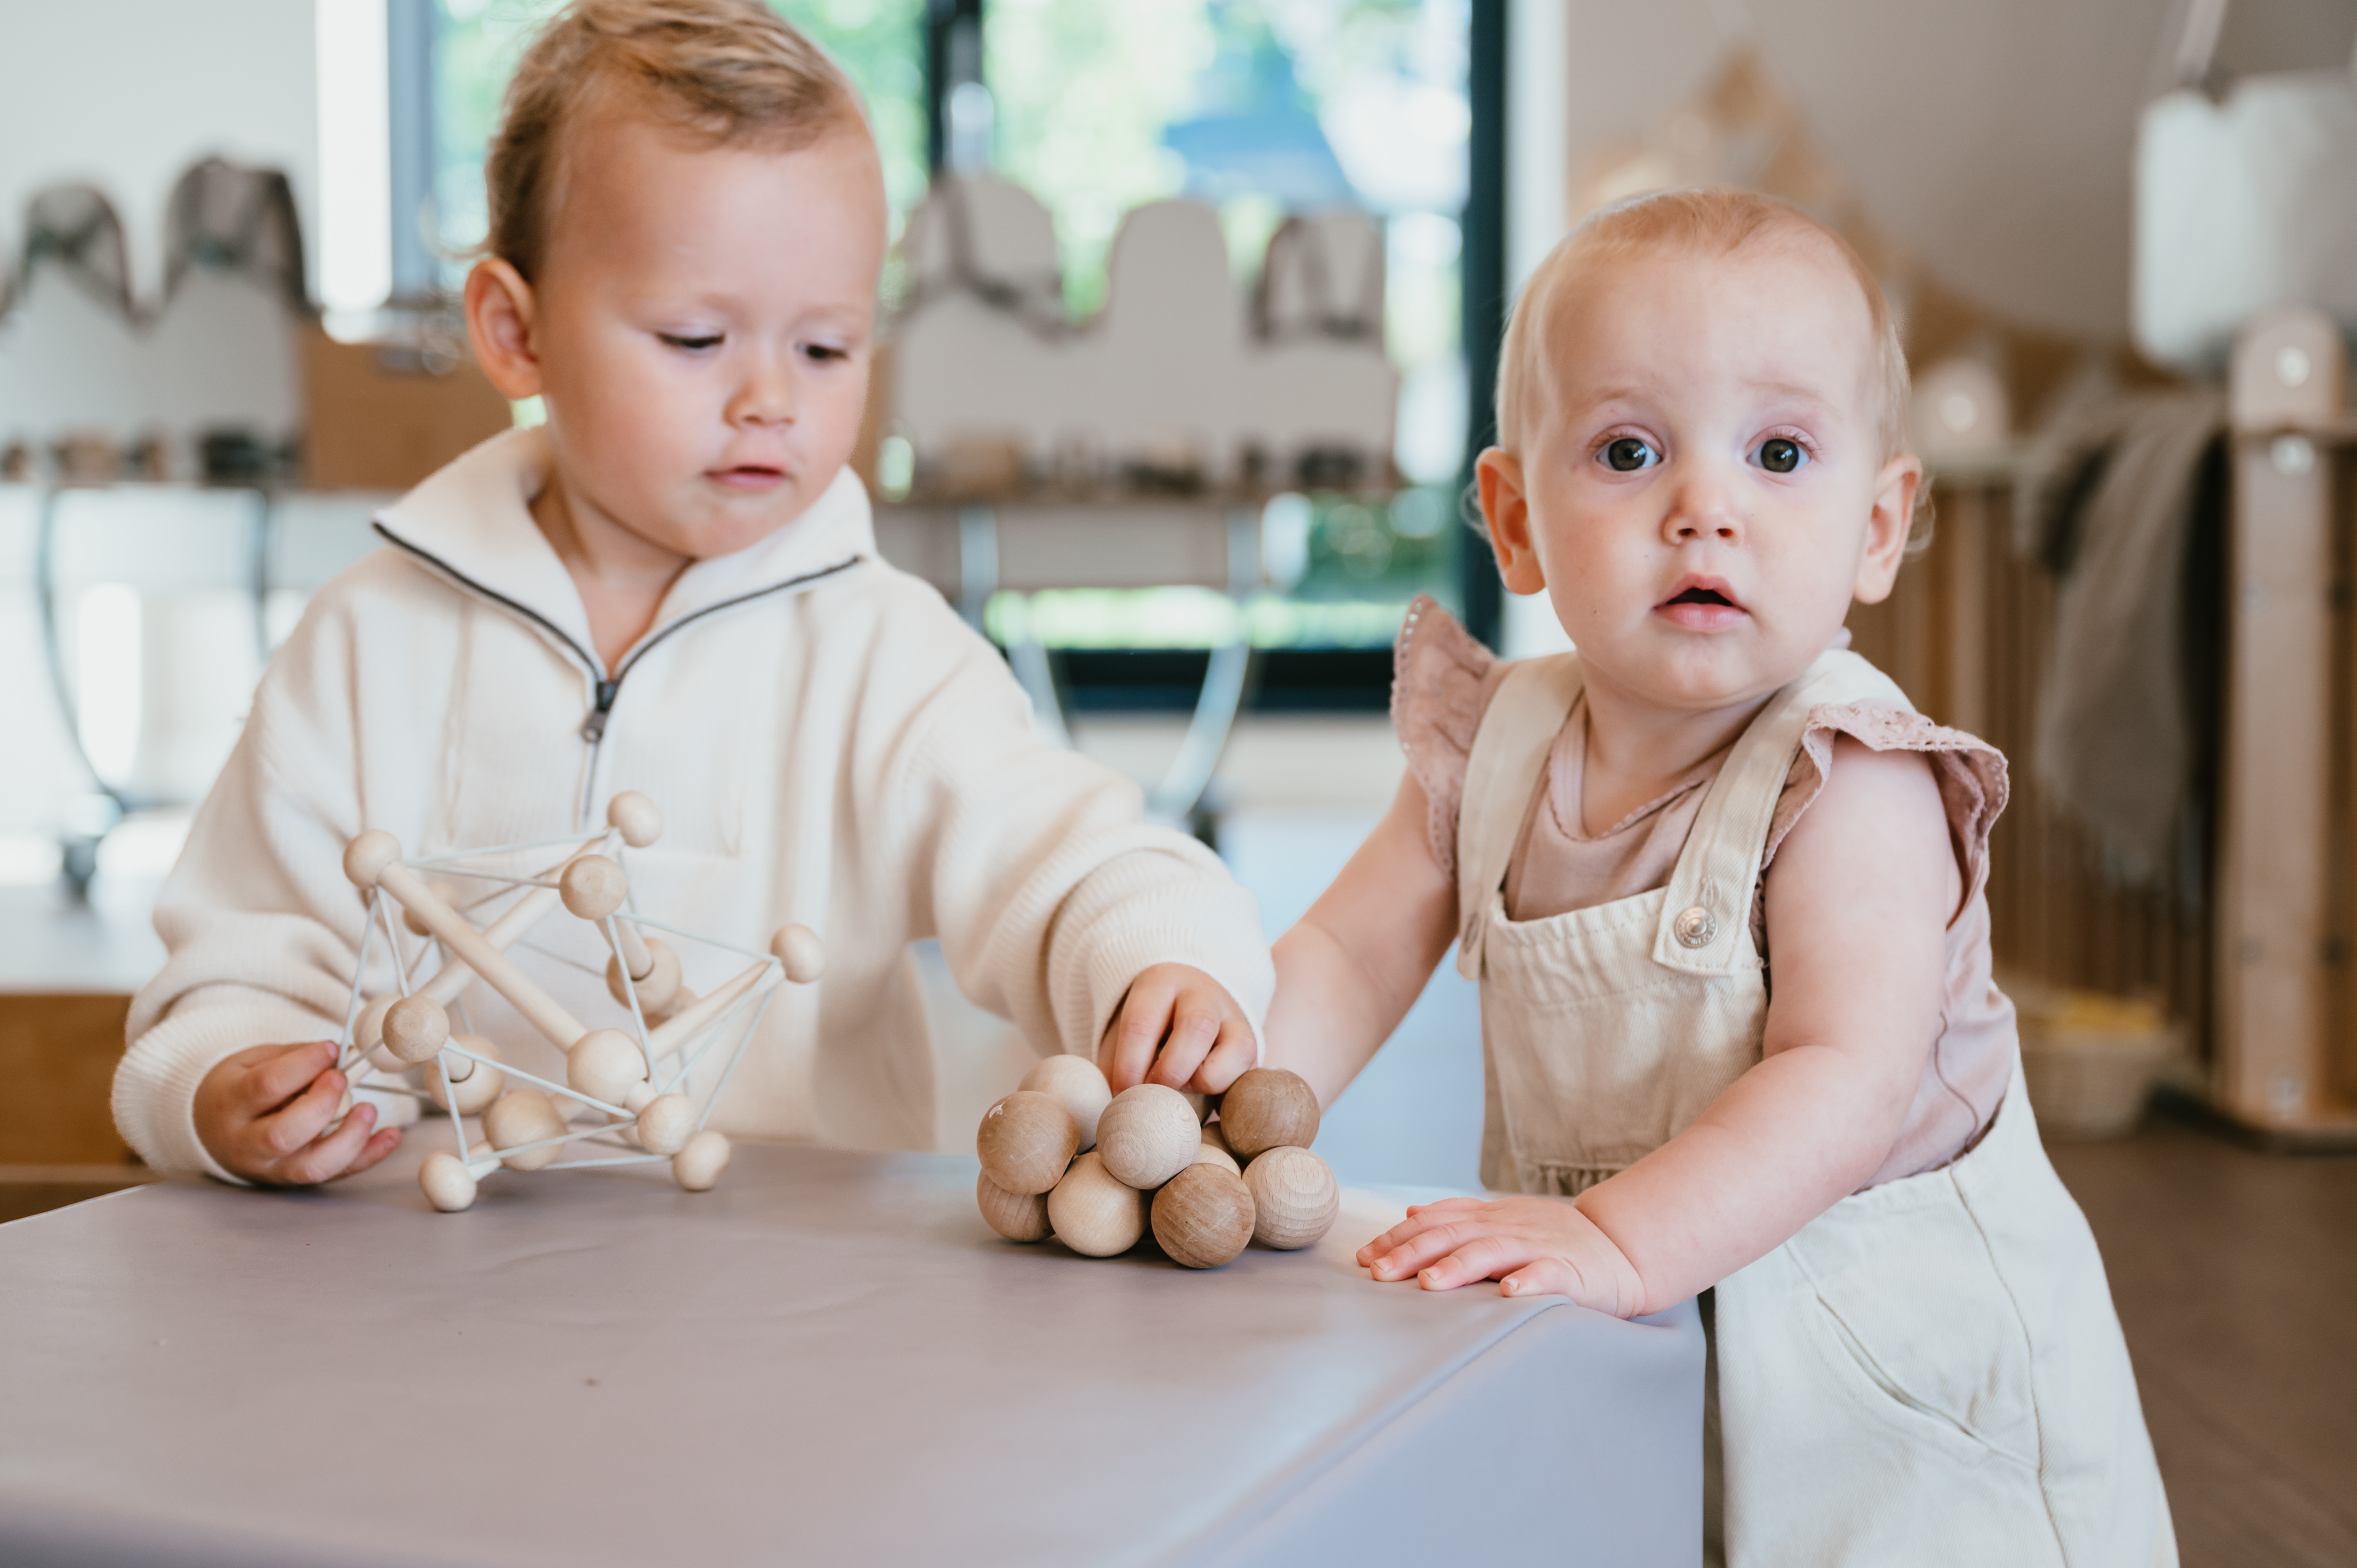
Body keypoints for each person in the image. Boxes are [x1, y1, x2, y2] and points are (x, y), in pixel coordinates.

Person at [115, 0, 1268, 1188]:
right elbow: (236, 968)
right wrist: (219, 1085)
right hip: (434, 1303)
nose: (770, 397)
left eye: (826, 349)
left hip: (801, 1303)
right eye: (695, 336)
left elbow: (1066, 858)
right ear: (516, 332)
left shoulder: (882, 651)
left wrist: (1159, 962)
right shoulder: (369, 638)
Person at [1264, 189, 2173, 1564]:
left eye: (1780, 452)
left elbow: (1845, 1077)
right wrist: (1241, 1105)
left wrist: (1619, 1242)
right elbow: (1344, 955)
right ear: (1514, 521)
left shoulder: (1854, 778)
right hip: (1655, 1338)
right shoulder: (1497, 745)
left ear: (1878, 527)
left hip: (1898, 1405)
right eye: (1630, 450)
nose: (1707, 508)